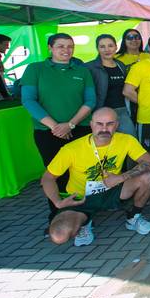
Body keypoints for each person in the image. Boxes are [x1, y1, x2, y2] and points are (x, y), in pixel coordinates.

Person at [42, 107, 150, 246]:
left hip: (112, 190)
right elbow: (47, 178)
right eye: (99, 124)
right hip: (81, 198)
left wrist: (121, 177)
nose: (104, 128)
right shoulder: (71, 149)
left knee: (147, 177)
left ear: (117, 125)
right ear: (91, 125)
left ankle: (134, 217)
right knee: (59, 235)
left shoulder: (126, 140)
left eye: (110, 124)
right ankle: (84, 223)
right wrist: (57, 202)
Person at [21, 33, 96, 221]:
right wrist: (56, 127)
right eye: (61, 46)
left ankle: (83, 214)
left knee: (81, 172)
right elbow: (28, 100)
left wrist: (70, 124)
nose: (66, 50)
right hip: (47, 132)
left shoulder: (82, 71)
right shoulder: (35, 69)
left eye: (70, 46)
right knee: (55, 174)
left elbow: (90, 101)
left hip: (79, 129)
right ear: (50, 48)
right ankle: (57, 215)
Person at [85, 34, 134, 134]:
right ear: (97, 49)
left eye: (110, 46)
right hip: (102, 112)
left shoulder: (121, 65)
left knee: (130, 139)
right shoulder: (90, 67)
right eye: (102, 46)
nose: (107, 50)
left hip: (122, 111)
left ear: (116, 47)